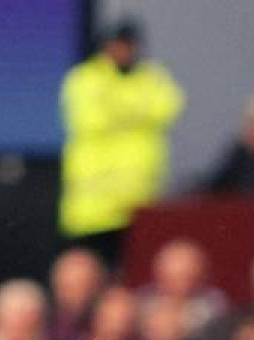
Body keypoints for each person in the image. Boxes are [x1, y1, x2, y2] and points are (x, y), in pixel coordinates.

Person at [59, 18, 184, 269]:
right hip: (93, 209)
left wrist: (115, 108)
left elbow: (169, 108)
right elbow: (90, 120)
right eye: (116, 44)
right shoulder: (84, 78)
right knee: (91, 277)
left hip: (140, 203)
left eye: (128, 45)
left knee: (137, 278)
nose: (122, 51)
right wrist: (139, 112)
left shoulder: (154, 76)